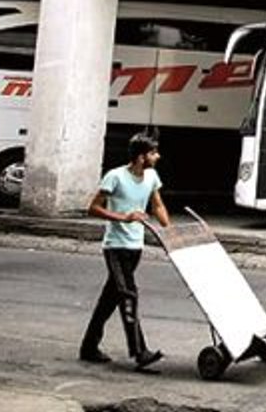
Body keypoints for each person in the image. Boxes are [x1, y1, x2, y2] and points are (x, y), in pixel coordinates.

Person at [79, 132, 171, 371]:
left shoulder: (151, 177)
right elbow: (93, 208)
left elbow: (157, 204)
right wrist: (124, 217)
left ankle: (88, 347)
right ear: (141, 157)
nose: (157, 157)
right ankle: (140, 352)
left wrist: (169, 230)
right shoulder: (115, 176)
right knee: (128, 294)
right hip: (116, 246)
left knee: (110, 299)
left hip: (135, 246)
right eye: (153, 153)